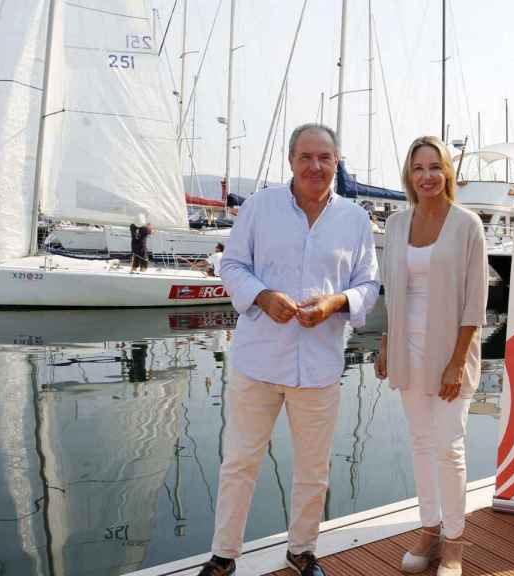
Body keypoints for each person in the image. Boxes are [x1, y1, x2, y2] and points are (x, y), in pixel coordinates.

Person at [198, 123, 379, 576]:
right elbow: (233, 265)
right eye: (306, 157)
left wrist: (337, 302)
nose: (315, 166)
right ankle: (223, 556)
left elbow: (368, 285)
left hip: (318, 365)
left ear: (337, 161)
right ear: (291, 160)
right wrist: (262, 296)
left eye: (324, 158)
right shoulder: (259, 208)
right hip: (258, 360)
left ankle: (302, 551)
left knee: (313, 469)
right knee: (240, 462)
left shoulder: (355, 220)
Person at [374, 136, 487, 576]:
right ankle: (429, 530)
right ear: (409, 174)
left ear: (447, 173)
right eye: (418, 168)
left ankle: (455, 543)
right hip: (406, 350)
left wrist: (458, 361)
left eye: (434, 167)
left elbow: (475, 303)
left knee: (449, 448)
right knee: (421, 444)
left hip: (448, 352)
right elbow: (391, 292)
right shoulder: (397, 224)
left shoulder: (467, 224)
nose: (426, 176)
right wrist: (384, 343)